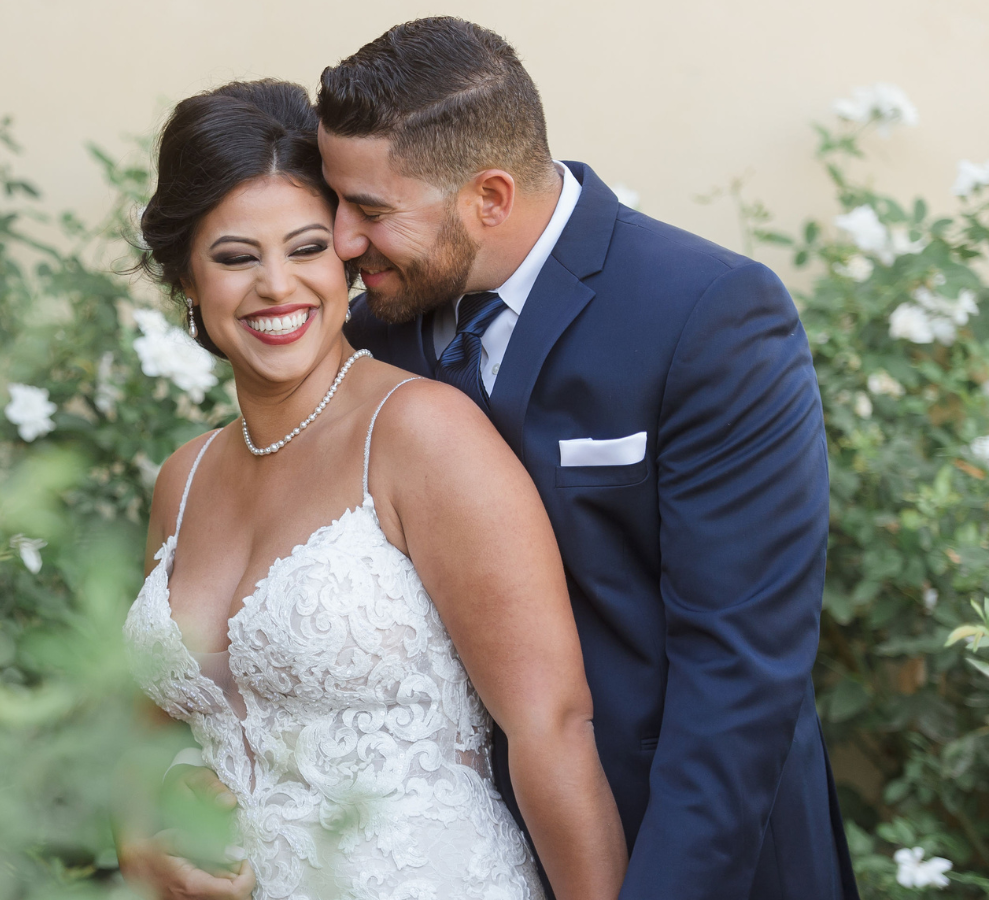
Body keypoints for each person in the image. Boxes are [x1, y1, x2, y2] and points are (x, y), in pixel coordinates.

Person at [318, 17, 858, 900]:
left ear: (489, 197)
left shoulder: (710, 316)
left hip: (684, 850)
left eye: (371, 212)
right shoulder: (380, 329)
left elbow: (740, 672)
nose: (342, 242)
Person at [117, 79, 626, 900]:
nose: (277, 287)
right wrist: (141, 840)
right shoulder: (186, 478)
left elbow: (552, 729)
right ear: (186, 277)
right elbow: (149, 736)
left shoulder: (422, 434)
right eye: (237, 257)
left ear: (349, 256)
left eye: (308, 248)